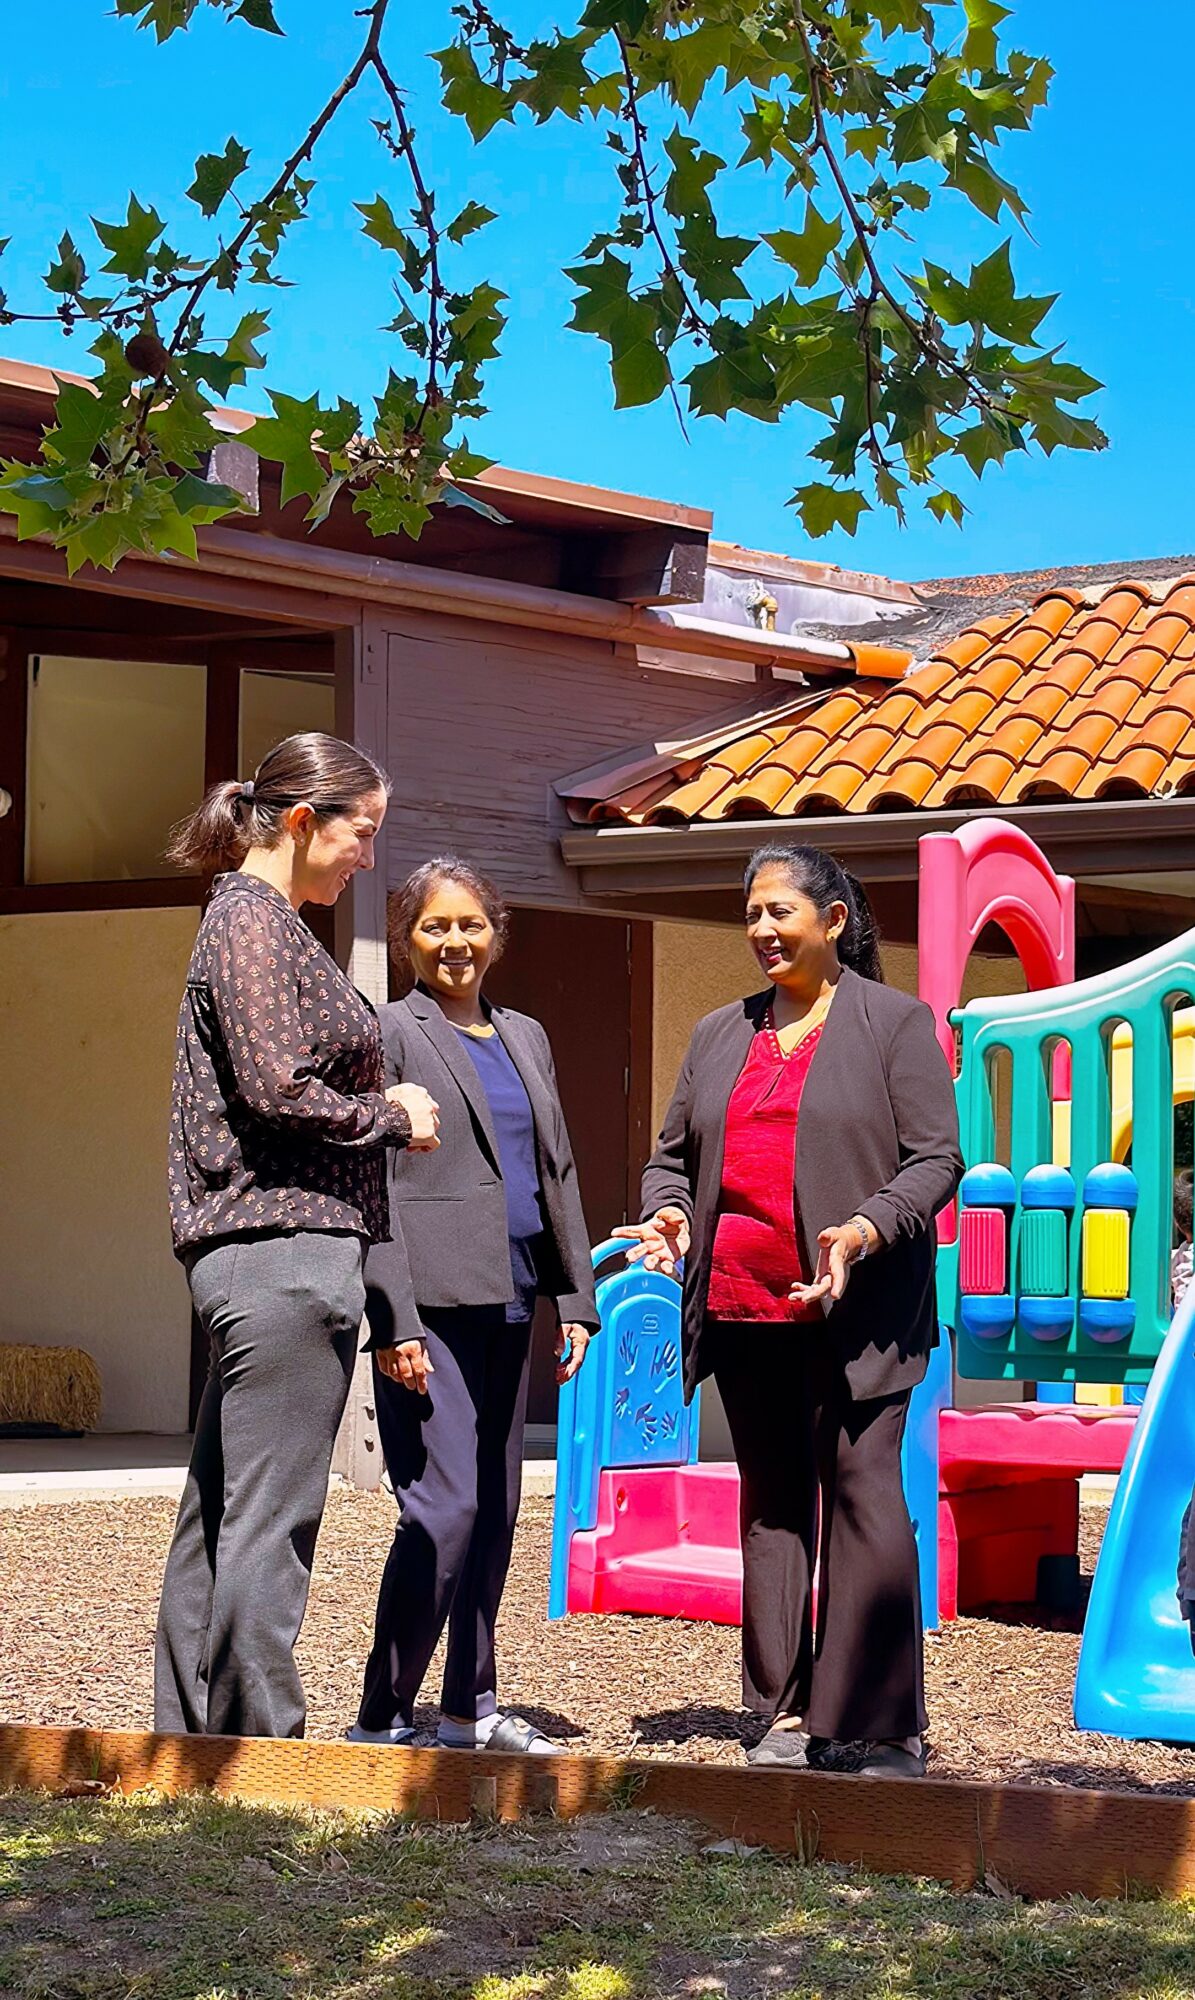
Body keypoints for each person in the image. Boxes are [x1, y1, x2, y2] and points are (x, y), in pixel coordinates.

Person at [616, 842, 962, 1779]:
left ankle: (882, 1724)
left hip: (861, 1313)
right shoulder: (717, 1035)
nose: (762, 930)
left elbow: (935, 1160)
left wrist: (860, 1231)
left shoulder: (894, 1024)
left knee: (863, 1497)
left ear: (833, 921)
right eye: (752, 913)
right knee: (771, 1510)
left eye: (781, 912)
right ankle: (781, 1710)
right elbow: (672, 1158)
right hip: (741, 1310)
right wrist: (671, 1215)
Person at [155, 732, 440, 1739]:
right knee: (271, 1525)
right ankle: (262, 1752)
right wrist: (392, 1114)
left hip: (274, 1247)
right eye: (362, 832)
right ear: (303, 820)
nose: (369, 856)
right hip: (282, 1249)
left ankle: (193, 1745)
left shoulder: (259, 922)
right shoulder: (252, 921)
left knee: (225, 1514)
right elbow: (277, 1086)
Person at [349, 857, 599, 1754]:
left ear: (496, 932)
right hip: (429, 1311)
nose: (454, 943)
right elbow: (367, 1180)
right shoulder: (386, 1032)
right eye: (432, 927)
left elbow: (555, 1168)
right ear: (408, 938)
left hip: (511, 1296)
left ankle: (469, 1710)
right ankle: (381, 1715)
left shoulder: (526, 1034)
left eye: (470, 925)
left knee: (495, 1509)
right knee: (441, 1508)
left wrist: (574, 1298)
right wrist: (392, 1321)